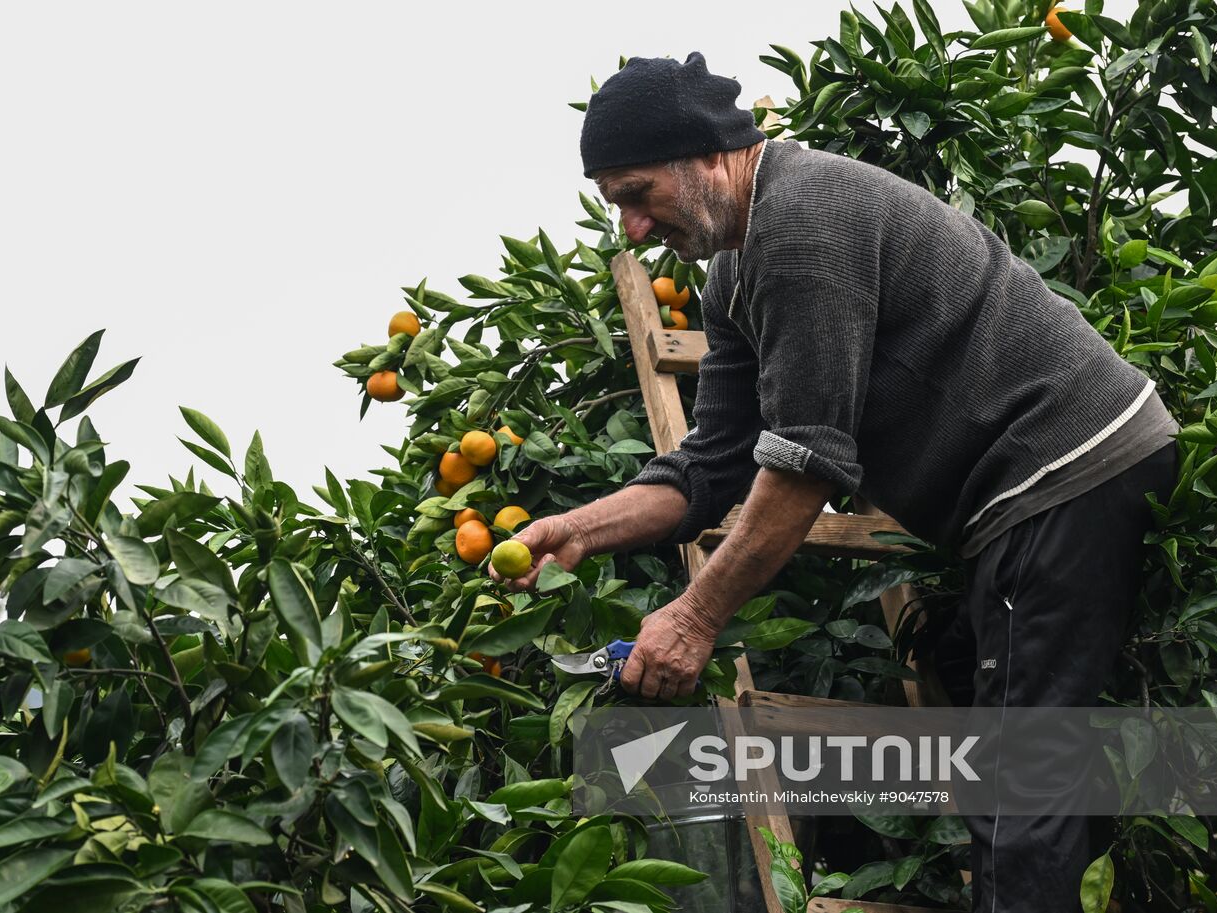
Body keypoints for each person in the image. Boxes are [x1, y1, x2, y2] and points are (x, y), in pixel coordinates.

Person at [489, 51, 1179, 911]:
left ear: (704, 156)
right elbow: (715, 463)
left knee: (1018, 787)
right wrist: (581, 529)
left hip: (1066, 467)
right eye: (615, 205)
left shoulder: (804, 221)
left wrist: (696, 617)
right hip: (1027, 495)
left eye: (637, 195)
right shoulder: (734, 273)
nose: (630, 229)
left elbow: (806, 462)